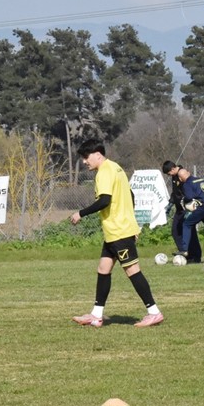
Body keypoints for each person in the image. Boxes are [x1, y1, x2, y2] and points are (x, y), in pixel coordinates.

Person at [71, 139, 163, 328]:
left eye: (86, 157)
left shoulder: (104, 171)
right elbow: (131, 195)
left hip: (119, 232)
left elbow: (104, 200)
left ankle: (154, 312)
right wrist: (129, 219)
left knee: (133, 271)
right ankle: (96, 315)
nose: (84, 161)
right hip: (116, 231)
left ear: (98, 154)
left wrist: (81, 213)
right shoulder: (116, 168)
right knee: (103, 269)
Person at [161, 160, 202, 263]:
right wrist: (170, 203)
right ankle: (184, 253)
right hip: (179, 210)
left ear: (172, 169)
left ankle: (196, 256)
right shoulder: (174, 177)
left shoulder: (182, 175)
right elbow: (175, 193)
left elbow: (188, 191)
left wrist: (189, 208)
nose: (169, 175)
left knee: (190, 232)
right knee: (175, 231)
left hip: (186, 209)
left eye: (169, 173)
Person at [177, 166, 204, 258]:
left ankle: (184, 250)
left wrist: (185, 201)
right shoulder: (201, 180)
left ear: (180, 178)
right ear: (188, 173)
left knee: (187, 224)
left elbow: (189, 197)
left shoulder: (187, 184)